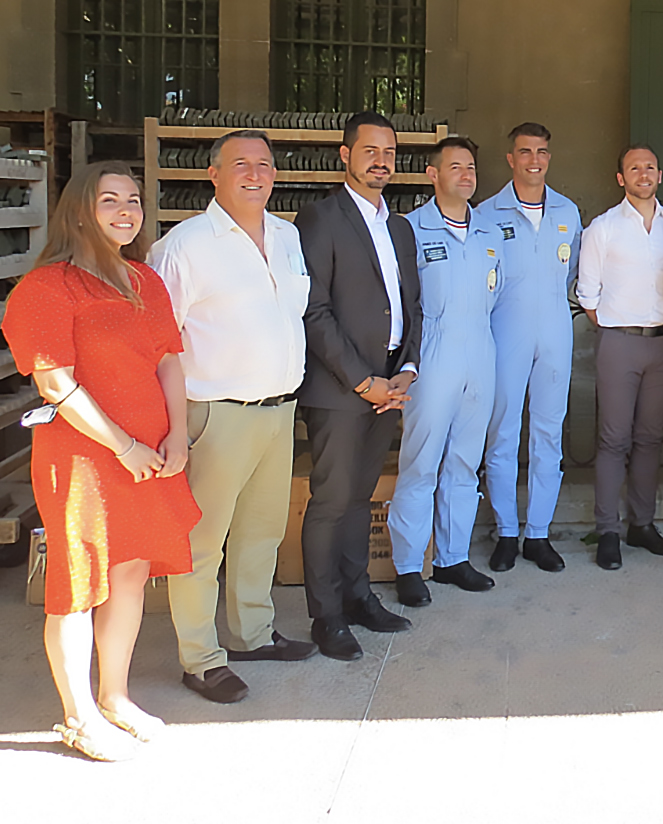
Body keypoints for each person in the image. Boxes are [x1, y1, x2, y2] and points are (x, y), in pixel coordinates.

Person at [1, 161, 200, 760]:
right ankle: (78, 714)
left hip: (150, 453)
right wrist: (125, 445)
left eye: (133, 200)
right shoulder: (45, 286)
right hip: (85, 457)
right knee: (77, 583)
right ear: (79, 209)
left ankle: (115, 696)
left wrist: (178, 437)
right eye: (109, 199)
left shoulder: (145, 280)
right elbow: (55, 382)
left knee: (130, 573)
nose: (125, 211)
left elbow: (169, 360)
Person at [148, 130, 317, 704]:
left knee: (262, 532)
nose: (255, 173)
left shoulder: (288, 236)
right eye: (239, 164)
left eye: (264, 164)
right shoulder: (185, 246)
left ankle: (251, 634)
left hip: (278, 410)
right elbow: (158, 343)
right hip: (215, 414)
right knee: (202, 542)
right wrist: (172, 427)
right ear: (213, 175)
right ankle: (200, 658)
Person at [296, 112, 421, 660]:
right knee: (330, 502)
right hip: (341, 390)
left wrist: (406, 370)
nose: (380, 161)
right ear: (344, 155)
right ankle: (326, 617)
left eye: (389, 152)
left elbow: (411, 306)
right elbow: (315, 311)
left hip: (388, 387)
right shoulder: (320, 219)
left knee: (358, 500)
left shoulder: (399, 227)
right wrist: (363, 380)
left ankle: (357, 597)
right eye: (369, 150)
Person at [388, 136, 505, 607]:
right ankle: (407, 565)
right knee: (421, 463)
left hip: (480, 349)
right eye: (455, 166)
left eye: (472, 166)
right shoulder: (411, 229)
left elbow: (494, 297)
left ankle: (453, 558)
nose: (466, 174)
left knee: (463, 461)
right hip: (433, 352)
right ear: (432, 175)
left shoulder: (490, 232)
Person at [476, 123, 582, 574]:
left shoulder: (568, 212)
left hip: (555, 332)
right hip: (505, 332)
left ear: (549, 157)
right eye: (524, 152)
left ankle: (537, 532)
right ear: (510, 159)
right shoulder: (486, 213)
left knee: (548, 433)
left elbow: (573, 272)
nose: (533, 160)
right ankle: (505, 530)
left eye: (541, 151)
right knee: (501, 433)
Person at [576, 144, 663, 570]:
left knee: (650, 438)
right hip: (619, 341)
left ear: (660, 175)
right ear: (620, 178)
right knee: (613, 438)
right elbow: (588, 294)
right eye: (634, 168)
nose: (643, 173)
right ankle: (607, 530)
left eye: (650, 167)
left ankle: (642, 525)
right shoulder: (602, 228)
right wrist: (617, 325)